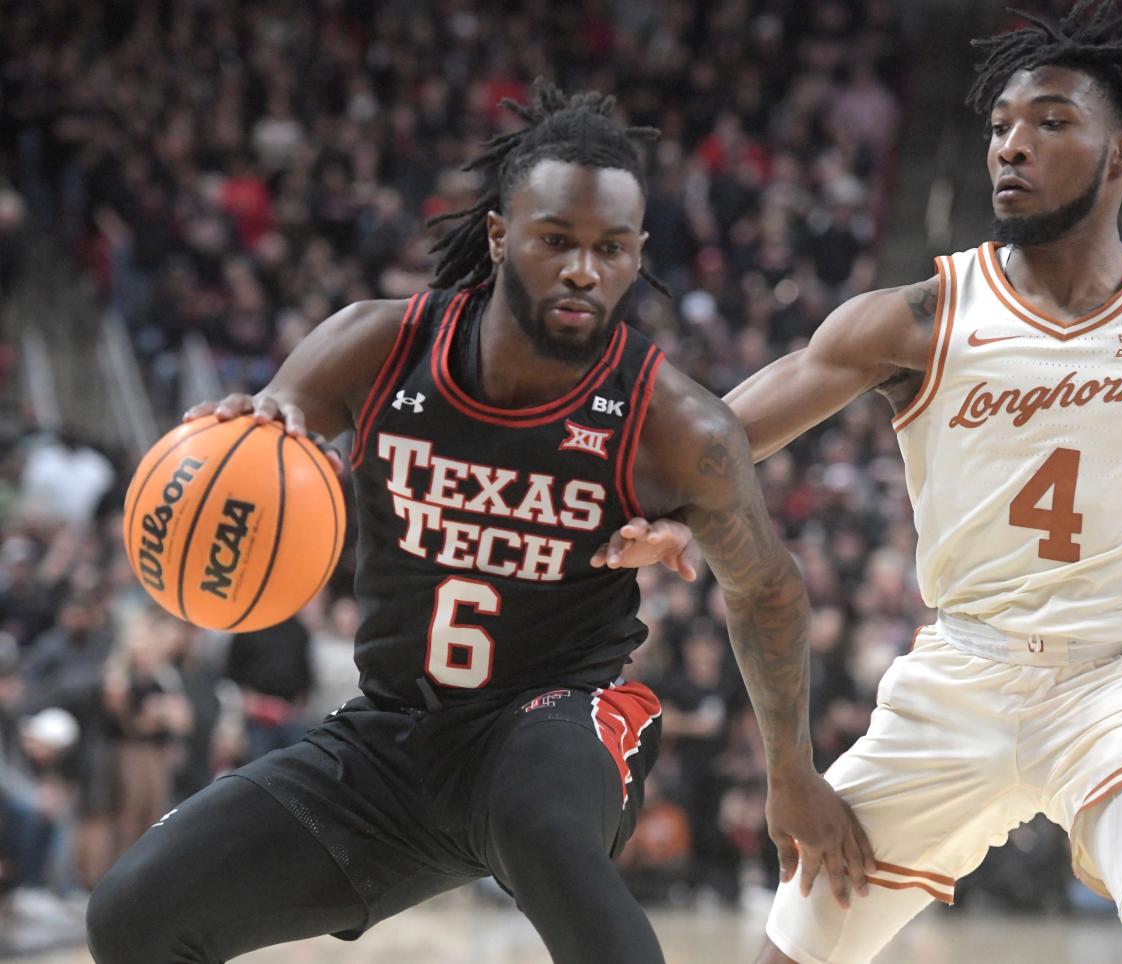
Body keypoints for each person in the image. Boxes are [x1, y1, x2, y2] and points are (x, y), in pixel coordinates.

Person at [85, 82, 874, 964]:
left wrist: (791, 773)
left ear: (638, 253)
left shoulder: (673, 425)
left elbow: (767, 588)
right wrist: (250, 429)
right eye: (557, 241)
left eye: (612, 249)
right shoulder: (377, 347)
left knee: (540, 823)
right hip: (391, 735)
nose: (585, 269)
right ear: (500, 236)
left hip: (562, 720)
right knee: (133, 914)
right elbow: (278, 421)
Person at [597, 4, 1122, 962]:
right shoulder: (921, 317)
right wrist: (667, 509)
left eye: (1052, 123)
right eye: (1000, 128)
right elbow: (718, 438)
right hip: (958, 681)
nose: (1012, 147)